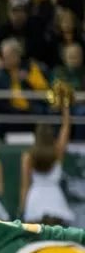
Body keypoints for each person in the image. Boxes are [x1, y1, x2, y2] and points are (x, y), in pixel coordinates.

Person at [22, 97, 74, 226]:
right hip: (55, 199)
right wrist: (65, 107)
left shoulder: (28, 156)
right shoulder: (57, 152)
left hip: (35, 200)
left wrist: (23, 208)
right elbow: (66, 129)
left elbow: (25, 185)